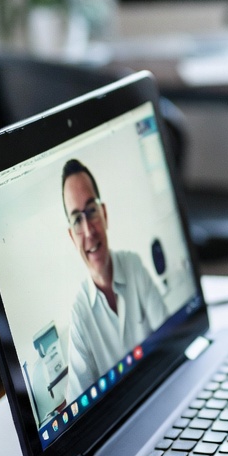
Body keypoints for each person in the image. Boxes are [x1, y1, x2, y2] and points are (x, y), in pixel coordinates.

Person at [62, 158, 167, 401]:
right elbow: (78, 405)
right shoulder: (79, 314)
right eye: (77, 220)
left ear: (105, 214)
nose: (89, 231)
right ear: (72, 236)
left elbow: (169, 338)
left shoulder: (133, 265)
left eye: (91, 211)